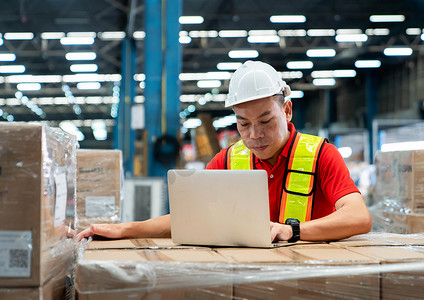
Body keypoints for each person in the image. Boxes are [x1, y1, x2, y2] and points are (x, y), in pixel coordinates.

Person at [77, 61, 372, 243]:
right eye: (244, 124)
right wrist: (124, 229)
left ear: (287, 110)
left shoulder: (321, 155)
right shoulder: (228, 160)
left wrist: (292, 231)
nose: (255, 134)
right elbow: (187, 217)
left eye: (266, 121)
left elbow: (359, 218)